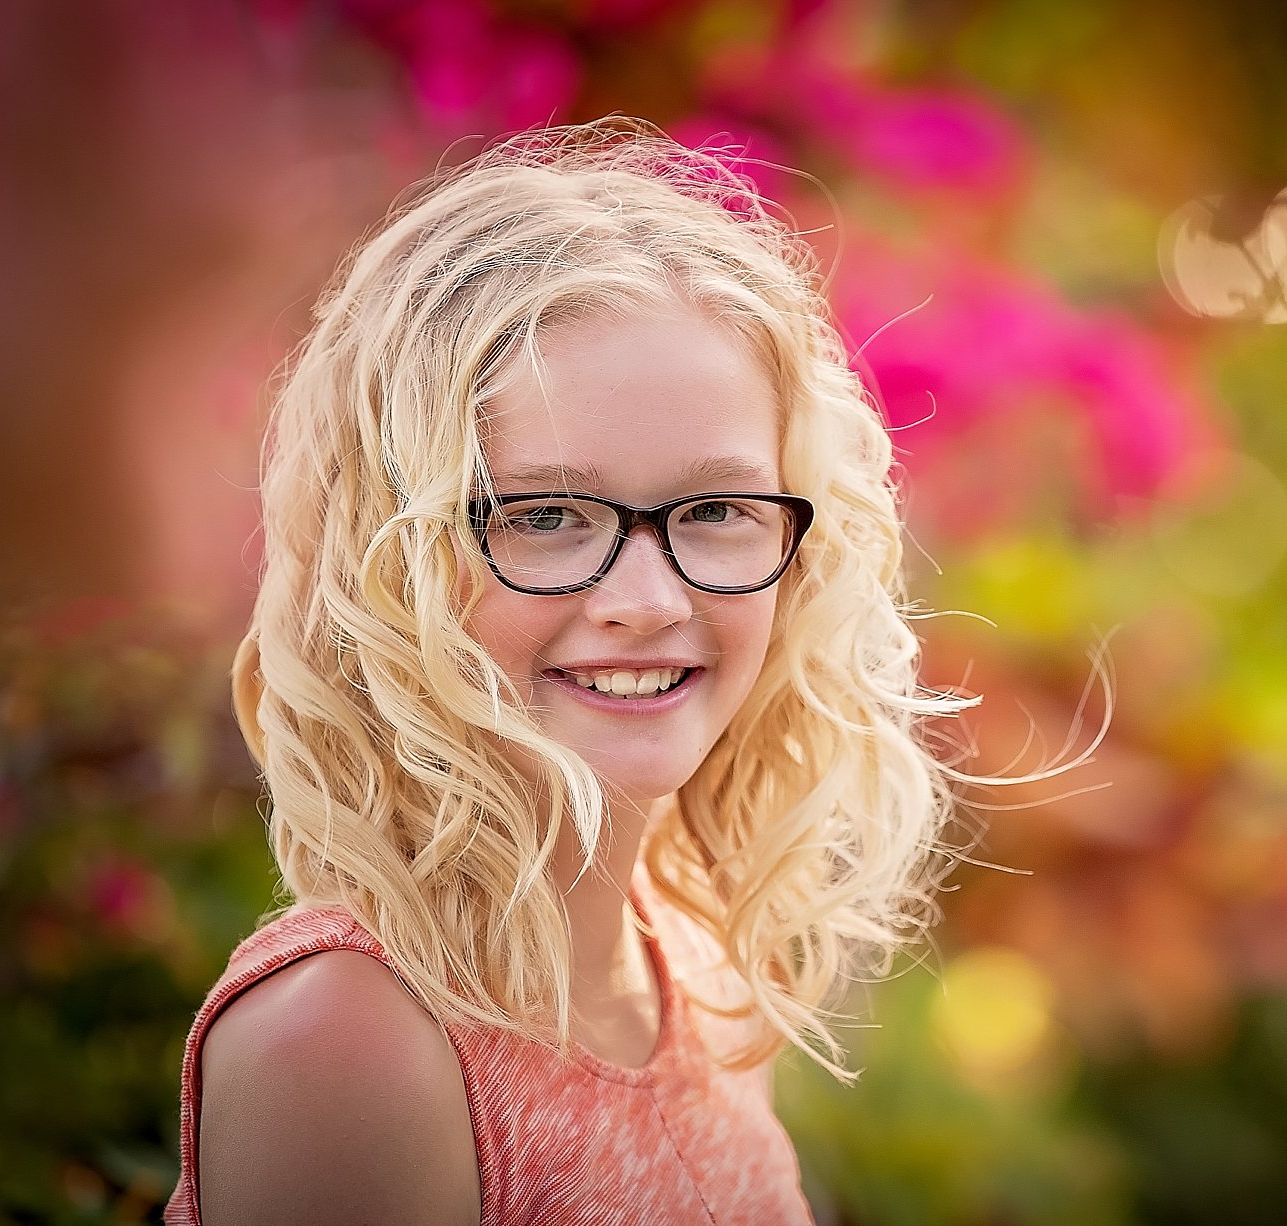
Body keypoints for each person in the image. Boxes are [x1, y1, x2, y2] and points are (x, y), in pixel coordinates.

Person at [163, 118, 979, 1224]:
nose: (647, 601)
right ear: (387, 558)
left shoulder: (693, 961)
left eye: (716, 509)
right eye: (543, 513)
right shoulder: (353, 1040)